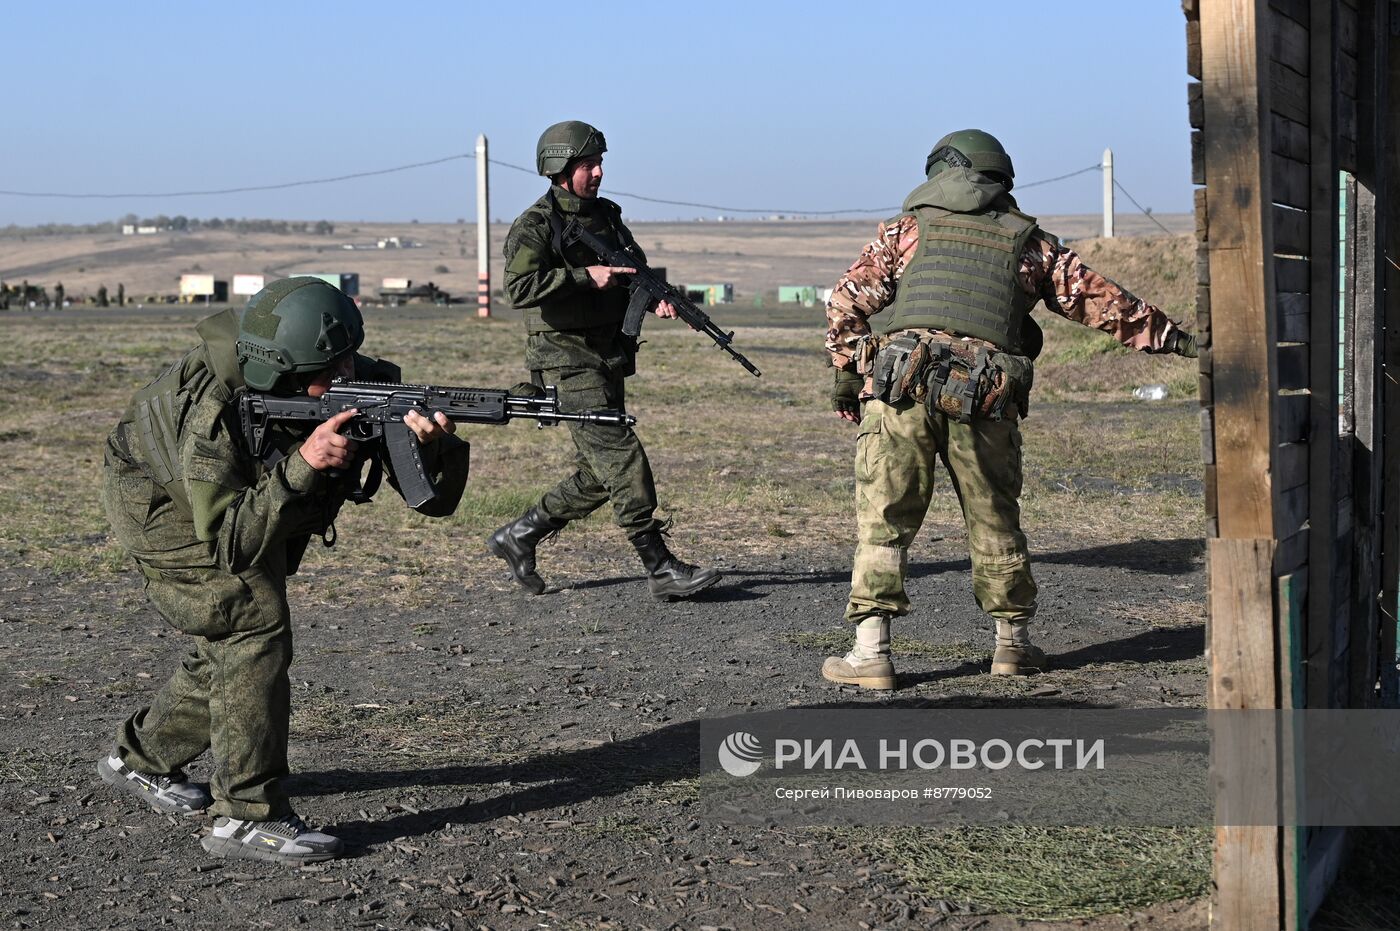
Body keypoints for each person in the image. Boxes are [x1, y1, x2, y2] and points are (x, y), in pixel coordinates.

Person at [98, 277, 470, 863]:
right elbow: (228, 542)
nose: (350, 373)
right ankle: (244, 817)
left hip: (237, 499)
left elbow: (434, 501)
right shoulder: (212, 416)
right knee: (251, 625)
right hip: (165, 506)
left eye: (350, 355)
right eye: (333, 367)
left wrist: (435, 445)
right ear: (286, 375)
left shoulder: (336, 373)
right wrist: (303, 465)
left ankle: (140, 759)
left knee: (228, 640)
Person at [822, 130, 1199, 690]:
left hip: (900, 392)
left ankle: (871, 653)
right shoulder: (1031, 243)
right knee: (994, 517)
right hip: (985, 394)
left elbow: (845, 301)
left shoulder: (907, 232)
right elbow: (1104, 304)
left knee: (885, 519)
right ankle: (1012, 646)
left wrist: (848, 373)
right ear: (1000, 177)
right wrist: (1185, 343)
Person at [488, 120, 720, 600]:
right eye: (586, 165)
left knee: (599, 472)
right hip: (565, 358)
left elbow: (629, 268)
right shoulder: (536, 224)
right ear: (559, 168)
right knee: (621, 455)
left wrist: (652, 296)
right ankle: (659, 567)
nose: (596, 173)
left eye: (599, 163)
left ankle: (521, 535)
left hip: (608, 353)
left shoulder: (607, 215)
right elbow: (519, 288)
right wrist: (582, 277)